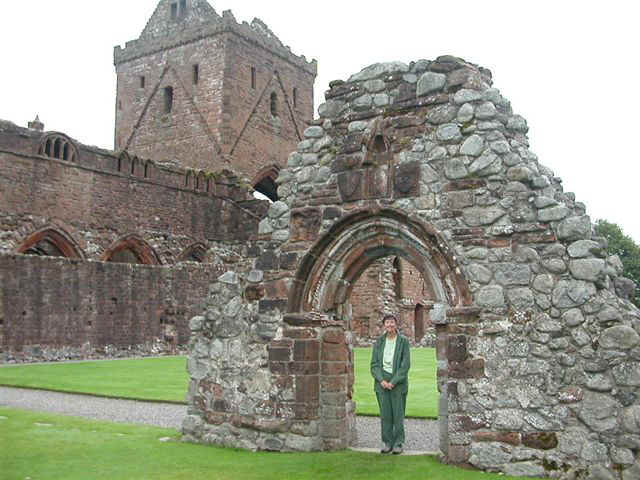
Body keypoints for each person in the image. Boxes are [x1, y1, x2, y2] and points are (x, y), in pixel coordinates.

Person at [370, 313, 410, 454]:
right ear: (384, 325)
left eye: (392, 322)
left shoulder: (403, 341)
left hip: (398, 384)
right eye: (387, 322)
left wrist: (393, 382)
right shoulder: (379, 342)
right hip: (381, 383)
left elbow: (405, 365)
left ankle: (398, 443)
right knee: (385, 415)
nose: (390, 325)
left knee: (398, 415)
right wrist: (381, 380)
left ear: (396, 324)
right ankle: (387, 442)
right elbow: (374, 365)